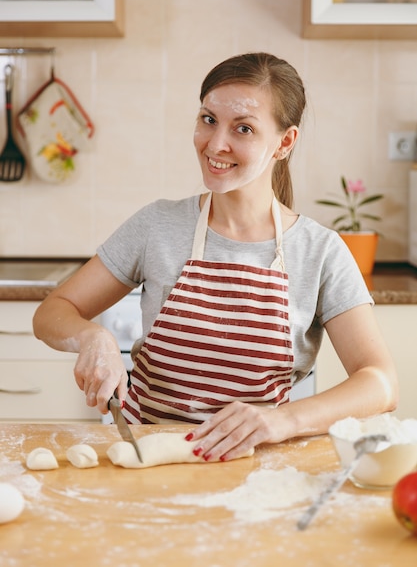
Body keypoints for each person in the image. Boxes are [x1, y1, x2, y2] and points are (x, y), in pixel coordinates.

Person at [33, 52, 398, 463]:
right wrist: (91, 336)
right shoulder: (158, 225)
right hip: (145, 458)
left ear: (285, 142)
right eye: (208, 119)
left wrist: (284, 421)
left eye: (243, 128)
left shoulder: (320, 251)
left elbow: (380, 383)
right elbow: (51, 313)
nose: (215, 144)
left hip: (255, 468)